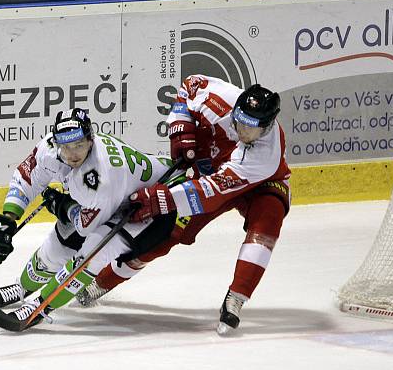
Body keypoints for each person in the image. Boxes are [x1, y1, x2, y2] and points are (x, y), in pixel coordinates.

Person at [87, 75, 291, 334]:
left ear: (268, 126)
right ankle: (101, 283)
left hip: (259, 182)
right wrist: (181, 128)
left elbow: (212, 191)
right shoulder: (221, 98)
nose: (243, 130)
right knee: (165, 235)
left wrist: (165, 200)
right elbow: (189, 86)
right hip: (212, 171)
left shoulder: (264, 155)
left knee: (268, 219)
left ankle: (237, 297)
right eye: (241, 119)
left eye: (252, 127)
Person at [0, 108, 182, 332]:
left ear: (90, 139)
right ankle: (22, 288)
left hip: (151, 207)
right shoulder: (49, 149)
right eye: (66, 147)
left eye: (78, 145)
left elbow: (86, 227)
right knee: (58, 247)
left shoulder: (100, 177)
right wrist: (9, 218)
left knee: (92, 254)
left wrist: (64, 206)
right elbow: (27, 178)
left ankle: (40, 307)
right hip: (113, 200)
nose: (72, 154)